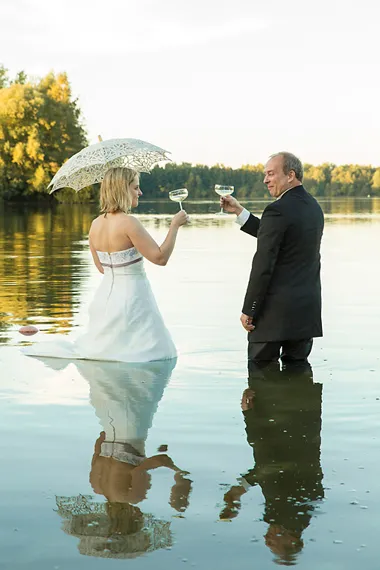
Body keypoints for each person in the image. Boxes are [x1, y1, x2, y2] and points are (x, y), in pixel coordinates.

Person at [22, 167, 189, 362]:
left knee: (107, 353)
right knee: (156, 355)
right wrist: (174, 225)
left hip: (105, 299)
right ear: (122, 190)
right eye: (136, 188)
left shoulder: (95, 225)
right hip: (134, 298)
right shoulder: (129, 223)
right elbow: (160, 258)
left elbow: (102, 268)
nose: (140, 193)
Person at [54, 358, 192, 558]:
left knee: (140, 387)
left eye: (139, 521)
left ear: (132, 520)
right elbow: (97, 448)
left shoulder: (133, 497)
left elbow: (140, 469)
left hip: (131, 434)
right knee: (117, 386)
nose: (141, 517)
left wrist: (171, 466)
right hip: (109, 429)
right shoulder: (97, 487)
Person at [221, 152, 324, 364]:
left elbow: (263, 265)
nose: (265, 179)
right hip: (306, 312)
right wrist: (240, 212)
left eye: (270, 173)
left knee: (260, 379)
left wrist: (250, 308)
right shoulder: (314, 206)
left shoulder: (277, 210)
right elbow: (277, 237)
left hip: (273, 315)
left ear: (290, 175)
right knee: (300, 379)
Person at [219, 361, 324, 565]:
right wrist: (249, 415)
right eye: (273, 544)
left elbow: (270, 468)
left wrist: (239, 491)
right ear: (291, 539)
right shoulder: (290, 512)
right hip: (281, 414)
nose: (266, 540)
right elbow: (269, 461)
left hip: (297, 415)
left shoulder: (297, 511)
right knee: (265, 360)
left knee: (295, 360)